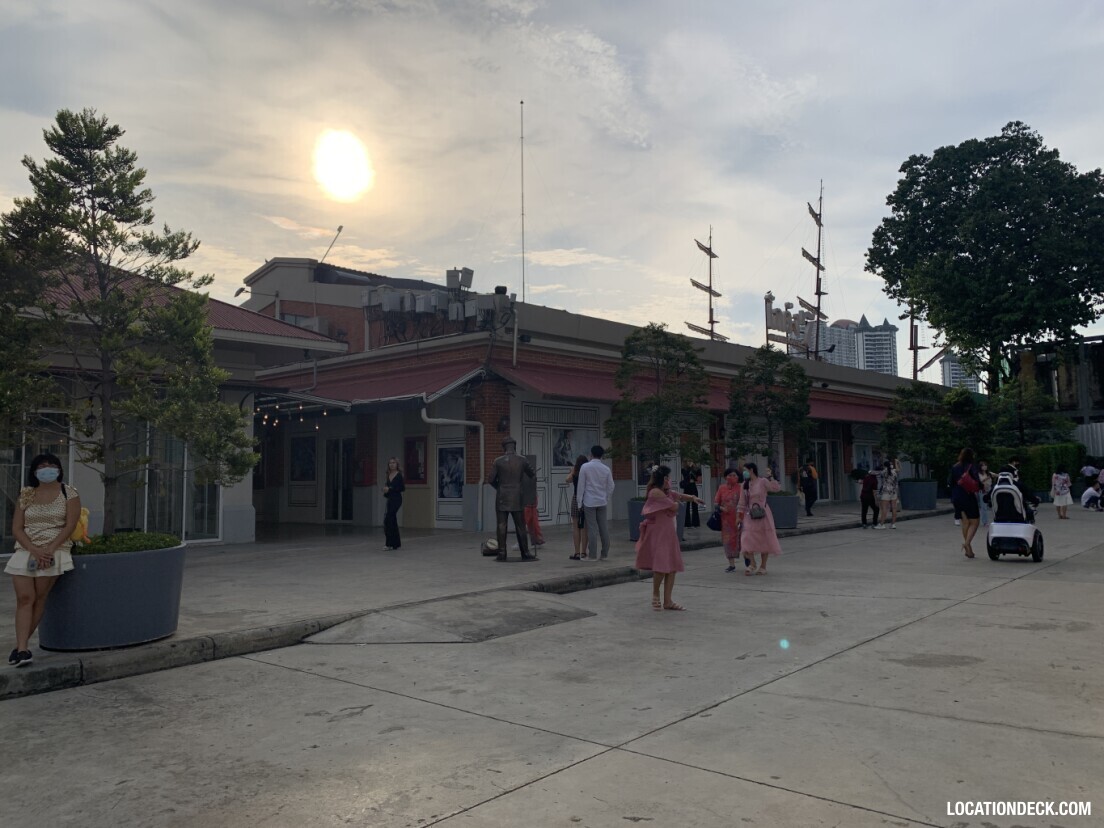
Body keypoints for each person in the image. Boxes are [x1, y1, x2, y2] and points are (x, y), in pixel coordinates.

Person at [6, 453, 81, 668]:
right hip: (26, 550)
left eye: (51, 465)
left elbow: (70, 525)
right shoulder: (27, 494)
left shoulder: (69, 492)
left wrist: (48, 549)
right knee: (24, 598)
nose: (46, 469)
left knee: (39, 597)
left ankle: (21, 648)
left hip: (54, 550)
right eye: (41, 466)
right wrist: (34, 549)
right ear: (34, 471)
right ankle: (22, 648)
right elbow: (17, 528)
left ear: (59, 469)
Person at [635, 465, 702, 611]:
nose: (670, 480)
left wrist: (692, 498)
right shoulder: (655, 492)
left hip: (668, 531)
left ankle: (668, 601)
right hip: (659, 532)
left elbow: (678, 495)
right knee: (661, 565)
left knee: (671, 566)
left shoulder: (665, 492)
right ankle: (655, 594)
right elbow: (674, 506)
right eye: (668, 478)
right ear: (663, 478)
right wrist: (677, 502)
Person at [489, 438, 537, 561]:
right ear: (514, 447)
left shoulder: (497, 461)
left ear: (504, 448)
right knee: (521, 526)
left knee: (501, 526)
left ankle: (502, 553)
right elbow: (532, 475)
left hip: (502, 497)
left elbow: (490, 480)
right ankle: (525, 553)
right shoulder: (522, 460)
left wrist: (500, 487)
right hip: (517, 497)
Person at [738, 462, 782, 574]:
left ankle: (763, 566)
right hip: (749, 515)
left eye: (745, 470)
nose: (744, 473)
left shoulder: (762, 482)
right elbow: (742, 501)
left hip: (762, 513)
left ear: (751, 470)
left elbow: (775, 488)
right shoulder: (744, 484)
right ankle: (752, 563)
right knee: (746, 538)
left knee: (764, 538)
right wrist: (739, 515)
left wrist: (771, 477)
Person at [577, 445, 615, 561]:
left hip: (589, 501)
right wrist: (606, 497)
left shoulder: (585, 467)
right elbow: (611, 486)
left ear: (591, 454)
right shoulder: (606, 469)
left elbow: (581, 486)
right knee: (604, 528)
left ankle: (592, 554)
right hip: (602, 501)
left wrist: (579, 502)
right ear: (602, 455)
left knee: (592, 528)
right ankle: (604, 554)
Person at [950, 448, 982, 558]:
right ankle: (967, 543)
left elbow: (950, 482)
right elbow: (977, 481)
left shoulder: (955, 467)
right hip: (968, 496)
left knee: (965, 522)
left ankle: (969, 550)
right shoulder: (972, 466)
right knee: (975, 522)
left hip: (957, 497)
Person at [714, 467, 747, 572]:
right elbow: (716, 503)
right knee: (728, 542)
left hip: (740, 518)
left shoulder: (741, 487)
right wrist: (721, 508)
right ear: (725, 477)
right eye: (730, 475)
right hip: (726, 521)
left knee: (743, 540)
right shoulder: (721, 488)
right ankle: (731, 565)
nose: (732, 477)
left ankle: (748, 560)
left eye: (735, 475)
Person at [565, 455, 589, 560]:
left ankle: (576, 552)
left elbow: (567, 480)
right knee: (584, 527)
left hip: (576, 498)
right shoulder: (587, 471)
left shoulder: (576, 471)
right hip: (587, 499)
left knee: (575, 526)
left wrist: (571, 471)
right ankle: (584, 552)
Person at [382, 457, 405, 550]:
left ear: (397, 464)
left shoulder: (399, 475)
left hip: (397, 499)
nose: (392, 464)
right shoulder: (388, 475)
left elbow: (402, 488)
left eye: (394, 463)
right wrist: (385, 489)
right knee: (392, 520)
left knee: (389, 519)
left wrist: (390, 489)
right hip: (390, 498)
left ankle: (389, 544)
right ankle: (396, 543)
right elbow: (387, 486)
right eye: (390, 463)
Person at [522, 463, 545, 547]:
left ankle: (535, 539)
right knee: (531, 522)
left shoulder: (528, 477)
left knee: (528, 521)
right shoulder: (528, 476)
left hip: (529, 501)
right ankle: (536, 540)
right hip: (530, 500)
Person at [875, 459, 899, 529]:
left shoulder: (883, 472)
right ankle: (893, 524)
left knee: (884, 509)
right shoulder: (894, 471)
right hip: (893, 491)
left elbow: (875, 473)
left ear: (884, 465)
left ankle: (882, 524)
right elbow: (898, 469)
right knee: (894, 508)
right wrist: (897, 463)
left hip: (885, 492)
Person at [679, 459, 701, 528]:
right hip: (687, 487)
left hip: (693, 486)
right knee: (687, 506)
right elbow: (686, 477)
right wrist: (689, 469)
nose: (689, 463)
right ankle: (687, 523)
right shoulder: (683, 470)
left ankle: (695, 523)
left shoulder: (694, 469)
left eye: (690, 461)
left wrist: (694, 468)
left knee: (695, 505)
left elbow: (698, 476)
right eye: (688, 461)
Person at [976, 461, 995, 526]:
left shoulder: (989, 473)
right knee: (983, 506)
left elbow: (997, 475)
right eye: (983, 465)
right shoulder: (978, 474)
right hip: (982, 491)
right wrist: (986, 478)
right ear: (980, 467)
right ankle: (985, 522)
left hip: (989, 490)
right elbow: (979, 482)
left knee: (992, 505)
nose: (984, 466)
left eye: (985, 465)